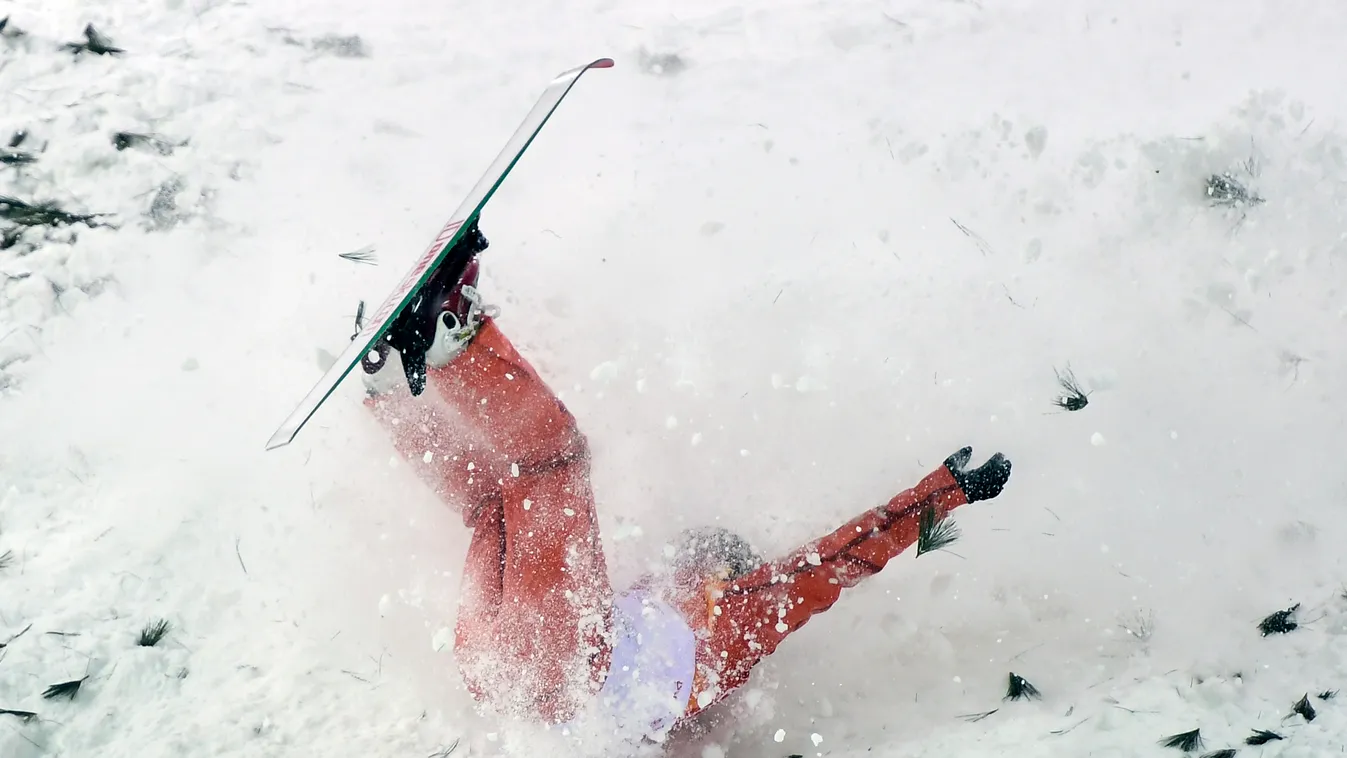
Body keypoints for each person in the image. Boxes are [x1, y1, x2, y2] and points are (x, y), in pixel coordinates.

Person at [359, 224, 1013, 744]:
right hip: (494, 676)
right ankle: (387, 385)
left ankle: (453, 337)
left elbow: (839, 560)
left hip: (553, 665)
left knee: (552, 462)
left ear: (719, 574)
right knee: (491, 505)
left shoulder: (735, 619)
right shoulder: (676, 678)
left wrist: (947, 490)